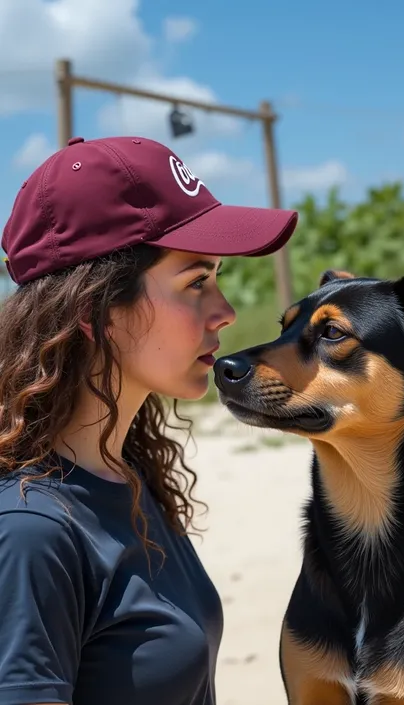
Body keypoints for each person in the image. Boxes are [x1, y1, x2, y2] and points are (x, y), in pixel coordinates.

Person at [0, 135, 297, 705]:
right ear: (94, 311)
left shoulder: (127, 476)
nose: (227, 311)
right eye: (196, 282)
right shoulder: (31, 532)